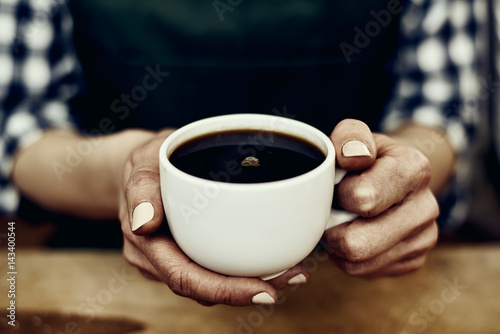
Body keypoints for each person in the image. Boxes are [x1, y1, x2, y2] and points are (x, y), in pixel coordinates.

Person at [0, 0, 480, 306]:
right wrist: (128, 176)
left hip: (351, 289)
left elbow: (439, 111)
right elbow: (22, 129)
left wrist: (390, 184)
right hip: (106, 282)